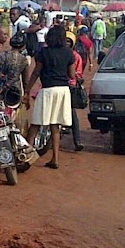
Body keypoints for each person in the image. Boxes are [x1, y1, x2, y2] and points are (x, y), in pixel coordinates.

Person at [23, 26, 76, 169]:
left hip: (47, 90)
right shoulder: (69, 53)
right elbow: (71, 75)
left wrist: (27, 91)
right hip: (63, 91)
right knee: (55, 125)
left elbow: (36, 73)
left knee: (36, 124)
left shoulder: (43, 52)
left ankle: (26, 156)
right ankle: (55, 159)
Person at [65, 31, 84, 152]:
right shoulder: (60, 53)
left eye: (69, 41)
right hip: (60, 84)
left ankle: (77, 140)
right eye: (65, 41)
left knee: (72, 113)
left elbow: (78, 72)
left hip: (70, 86)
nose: (66, 43)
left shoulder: (76, 56)